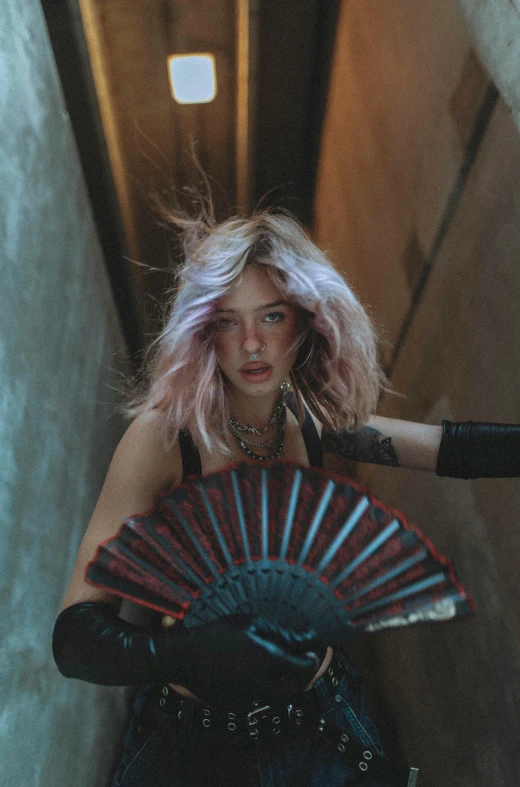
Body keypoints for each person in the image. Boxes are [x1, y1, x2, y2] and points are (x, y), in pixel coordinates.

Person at [52, 207, 519, 787]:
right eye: (228, 321)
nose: (252, 344)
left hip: (322, 726)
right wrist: (189, 652)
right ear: (203, 331)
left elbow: (451, 449)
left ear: (305, 322)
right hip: (192, 751)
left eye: (271, 316)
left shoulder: (315, 424)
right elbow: (75, 638)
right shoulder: (164, 440)